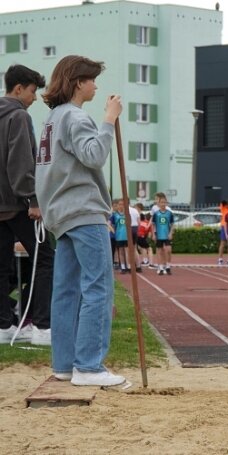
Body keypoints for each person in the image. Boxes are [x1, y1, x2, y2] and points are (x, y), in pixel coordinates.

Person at [34, 55, 126, 385]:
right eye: (91, 80)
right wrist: (108, 120)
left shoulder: (51, 119)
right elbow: (95, 156)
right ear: (78, 83)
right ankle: (88, 367)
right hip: (83, 211)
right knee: (97, 287)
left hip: (60, 213)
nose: (96, 85)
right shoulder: (76, 117)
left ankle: (64, 364)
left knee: (66, 291)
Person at [0, 64, 55, 346]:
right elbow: (21, 162)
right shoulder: (18, 116)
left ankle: (5, 325)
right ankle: (42, 327)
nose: (35, 98)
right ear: (18, 89)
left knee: (1, 265)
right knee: (46, 258)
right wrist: (33, 199)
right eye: (33, 92)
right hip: (19, 203)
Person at [151, 196, 174, 275]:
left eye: (164, 202)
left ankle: (168, 266)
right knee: (160, 251)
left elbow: (172, 224)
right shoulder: (156, 214)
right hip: (159, 235)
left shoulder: (169, 213)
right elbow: (153, 225)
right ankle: (160, 267)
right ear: (159, 203)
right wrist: (153, 234)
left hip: (167, 235)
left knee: (168, 250)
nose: (163, 204)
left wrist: (171, 233)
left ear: (166, 203)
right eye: (161, 202)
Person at [110, 199, 130, 274]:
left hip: (127, 236)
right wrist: (114, 231)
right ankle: (123, 267)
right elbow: (109, 224)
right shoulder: (114, 215)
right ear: (117, 206)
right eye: (120, 204)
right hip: (119, 236)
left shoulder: (127, 214)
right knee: (121, 251)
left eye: (123, 204)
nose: (121, 206)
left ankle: (128, 266)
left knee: (127, 251)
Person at [216, 199, 228, 265]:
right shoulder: (223, 208)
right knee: (223, 243)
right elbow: (222, 202)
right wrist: (225, 203)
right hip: (224, 226)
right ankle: (220, 259)